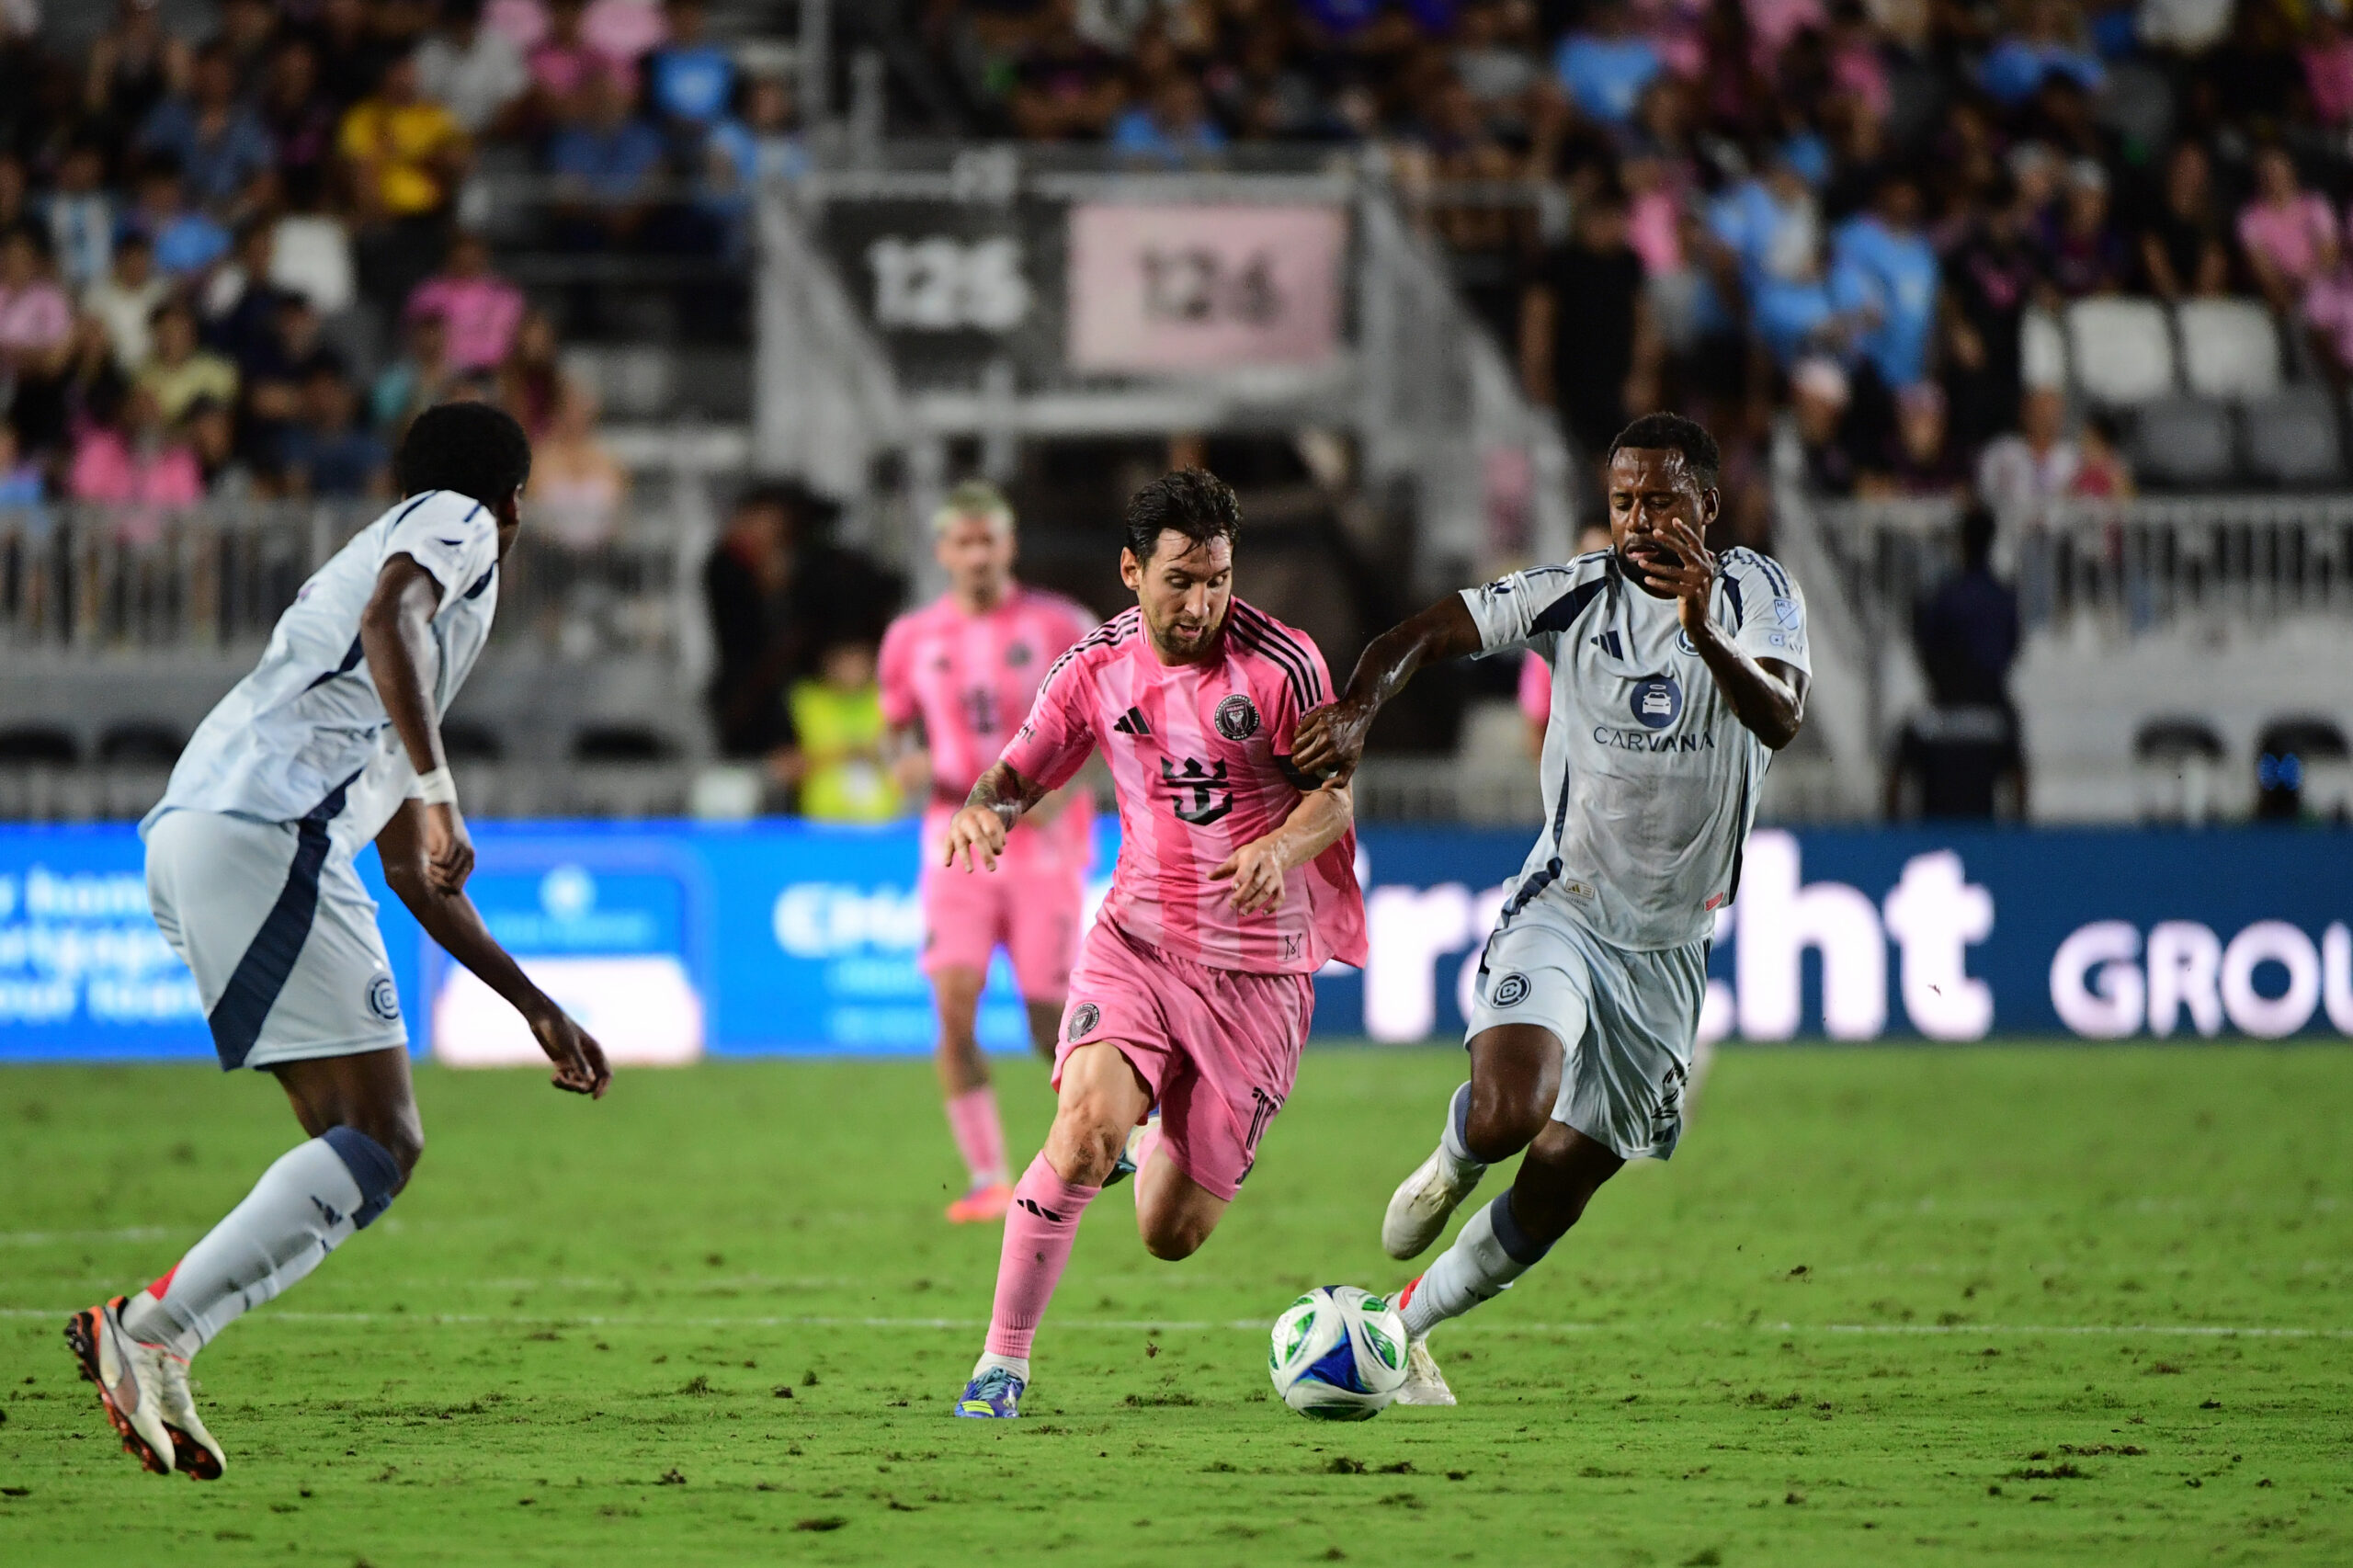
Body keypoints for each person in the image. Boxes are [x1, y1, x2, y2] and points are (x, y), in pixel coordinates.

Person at [65, 403, 610, 1479]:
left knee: (351, 1143)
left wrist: (533, 1004)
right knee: (381, 1136)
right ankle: (151, 1327)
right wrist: (444, 790)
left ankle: (163, 1339)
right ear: (513, 503)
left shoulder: (394, 658)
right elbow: (392, 615)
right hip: (267, 830)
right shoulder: (451, 527)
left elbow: (412, 869)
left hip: (205, 832)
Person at [1290, 414, 1808, 1406]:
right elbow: (1424, 632)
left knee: (1561, 1182)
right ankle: (1453, 1159)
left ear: (1707, 504)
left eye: (1660, 500)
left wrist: (1704, 632)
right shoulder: (1576, 593)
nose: (1638, 519)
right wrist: (1359, 706)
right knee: (1509, 1114)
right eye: (1622, 502)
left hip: (1671, 946)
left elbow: (1780, 715)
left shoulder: (1760, 593)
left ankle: (1404, 1328)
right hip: (1566, 904)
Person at [948, 469, 1365, 1419]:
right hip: (1138, 940)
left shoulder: (1283, 665)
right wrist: (983, 812)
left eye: (1217, 579)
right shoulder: (1093, 668)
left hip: (1260, 971)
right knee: (1082, 1134)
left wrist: (1278, 848)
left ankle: (1151, 1142)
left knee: (1170, 1232)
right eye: (1180, 580)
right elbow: (1016, 774)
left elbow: (1332, 798)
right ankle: (1001, 1364)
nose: (1201, 603)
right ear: (1132, 571)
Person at [877, 482, 1098, 1224]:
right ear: (943, 551)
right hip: (954, 836)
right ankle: (988, 1179)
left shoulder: (1061, 624)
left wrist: (1070, 783)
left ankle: (1128, 1132)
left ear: (1010, 545)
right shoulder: (911, 638)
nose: (977, 556)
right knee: (954, 1001)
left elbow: (1110, 717)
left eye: (989, 541)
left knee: (1048, 1018)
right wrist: (904, 762)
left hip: (1043, 842)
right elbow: (894, 729)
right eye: (964, 543)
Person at [1888, 504, 2027, 820]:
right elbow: (2012, 646)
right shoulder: (2003, 597)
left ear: (1961, 541)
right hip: (1992, 700)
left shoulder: (1944, 596)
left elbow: (1926, 644)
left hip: (1947, 702)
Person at [787, 638, 900, 823]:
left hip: (882, 820)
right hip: (822, 818)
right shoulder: (804, 700)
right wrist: (852, 752)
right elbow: (787, 764)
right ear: (828, 663)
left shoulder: (890, 698)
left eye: (857, 660)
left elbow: (903, 753)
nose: (851, 669)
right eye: (844, 660)